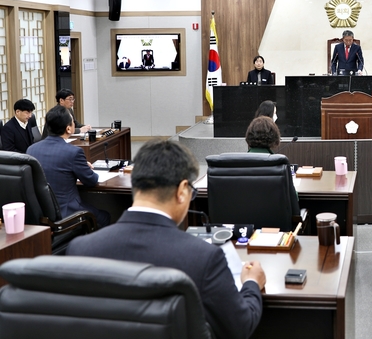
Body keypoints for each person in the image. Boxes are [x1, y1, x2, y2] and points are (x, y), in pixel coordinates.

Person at [67, 139, 265, 339]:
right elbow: (239, 327)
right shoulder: (205, 258)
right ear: (181, 191)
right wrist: (251, 283)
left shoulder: (80, 249)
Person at [27, 106, 111, 227]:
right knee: (104, 217)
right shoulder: (73, 152)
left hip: (40, 214)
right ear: (68, 128)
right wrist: (86, 169)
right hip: (67, 212)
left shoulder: (31, 149)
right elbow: (91, 181)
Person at [245, 116, 301, 216]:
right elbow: (293, 198)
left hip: (243, 226)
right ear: (275, 138)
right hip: (277, 229)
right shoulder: (280, 163)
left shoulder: (235, 163)